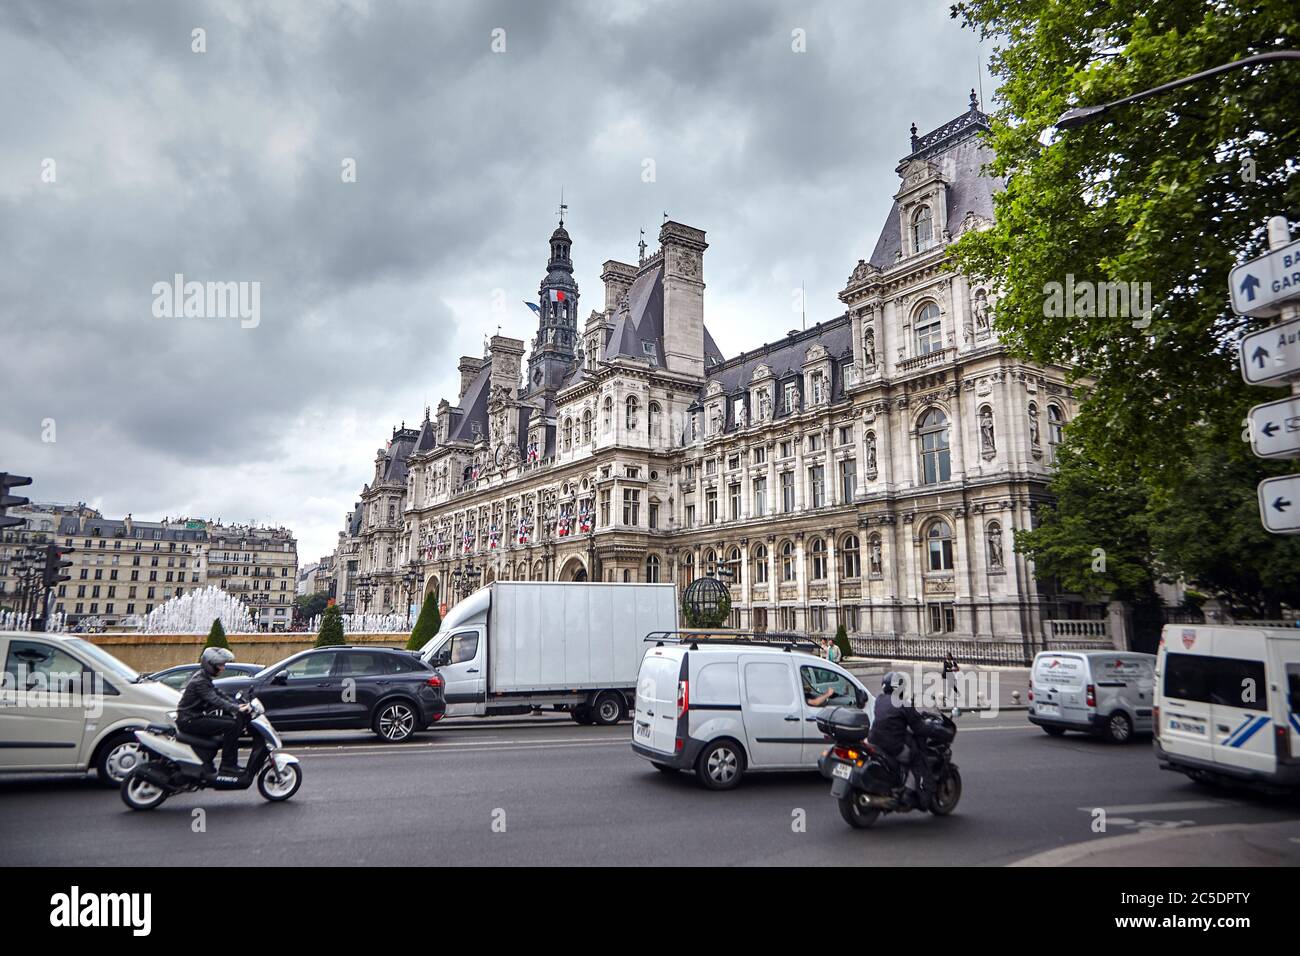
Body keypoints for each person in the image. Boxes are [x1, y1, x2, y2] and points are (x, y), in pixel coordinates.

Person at [177, 647, 251, 775]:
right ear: (209, 665)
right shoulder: (200, 681)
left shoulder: (204, 677)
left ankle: (223, 763)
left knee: (232, 722)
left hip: (194, 717)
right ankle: (228, 765)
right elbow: (214, 699)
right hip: (189, 720)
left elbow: (218, 693)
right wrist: (236, 708)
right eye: (220, 665)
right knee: (231, 726)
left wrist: (236, 703)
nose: (223, 668)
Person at [868, 671, 930, 807]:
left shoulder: (879, 699)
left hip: (874, 742)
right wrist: (930, 730)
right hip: (892, 746)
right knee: (917, 757)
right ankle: (911, 792)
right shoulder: (903, 704)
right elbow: (919, 727)